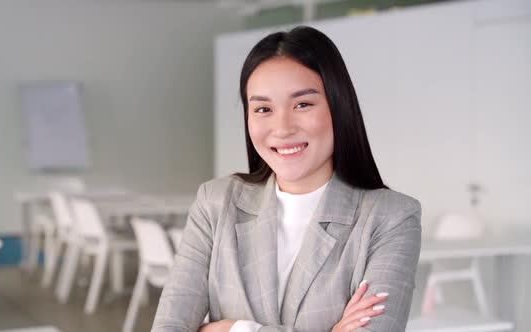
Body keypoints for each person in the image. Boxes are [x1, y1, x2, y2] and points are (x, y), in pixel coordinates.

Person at [152, 26, 421, 332]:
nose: (282, 128)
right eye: (263, 108)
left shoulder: (392, 217)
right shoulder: (215, 203)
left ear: (338, 106)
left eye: (302, 104)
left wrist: (233, 328)